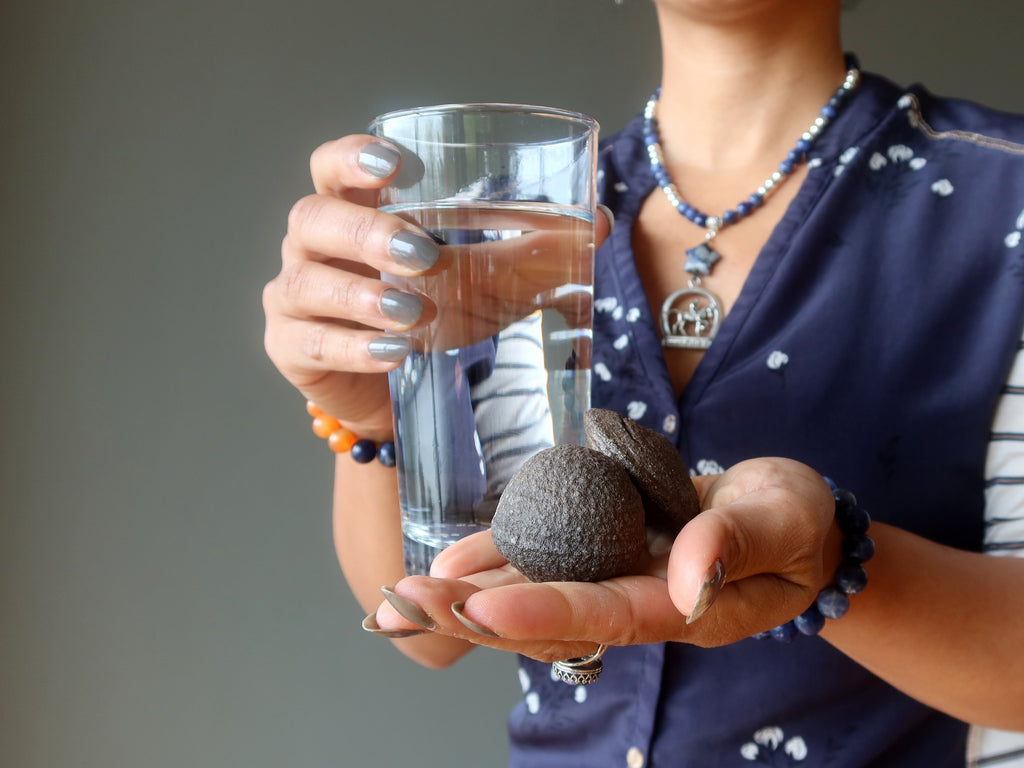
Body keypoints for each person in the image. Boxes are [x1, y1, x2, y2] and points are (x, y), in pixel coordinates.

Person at [262, 0, 1024, 764]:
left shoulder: (1006, 201)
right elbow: (432, 629)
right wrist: (375, 418)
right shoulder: (504, 225)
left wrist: (834, 559)